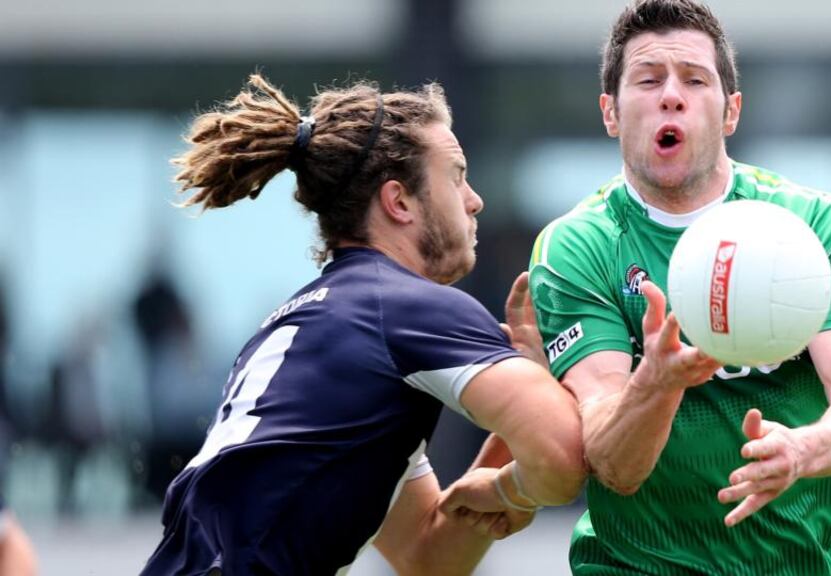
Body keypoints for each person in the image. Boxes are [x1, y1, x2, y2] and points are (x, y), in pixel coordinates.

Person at [141, 75, 586, 576]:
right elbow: (564, 455)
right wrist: (514, 485)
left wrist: (509, 444)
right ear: (399, 202)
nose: (474, 200)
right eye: (456, 176)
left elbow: (428, 557)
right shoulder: (407, 307)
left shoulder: (317, 326)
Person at [525, 1, 831, 573]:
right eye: (648, 80)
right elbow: (611, 463)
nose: (672, 95)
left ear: (730, 112)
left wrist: (801, 450)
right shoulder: (579, 247)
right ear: (611, 113)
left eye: (695, 80)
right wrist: (659, 382)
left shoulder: (811, 226)